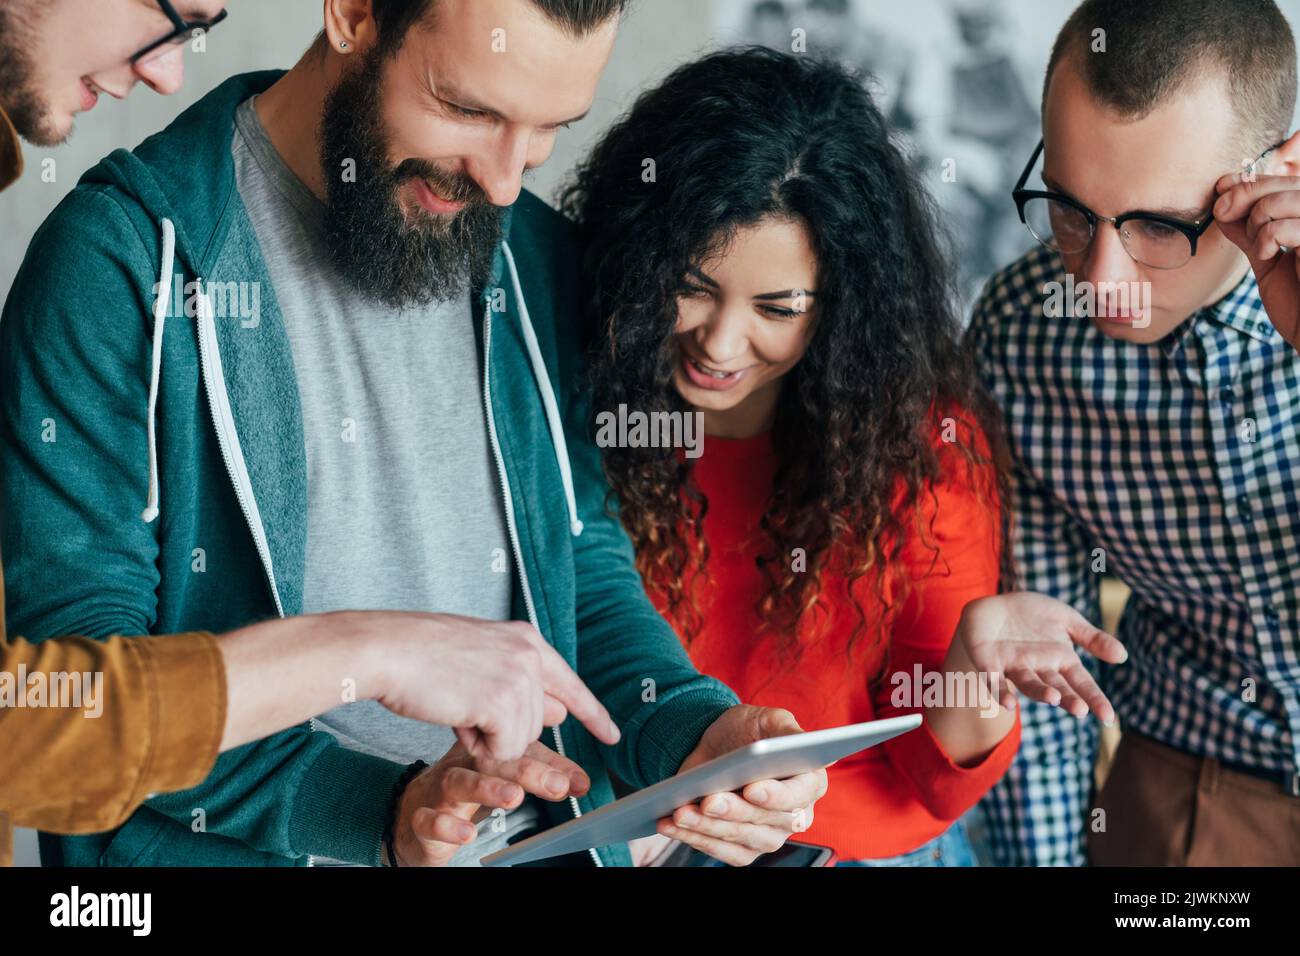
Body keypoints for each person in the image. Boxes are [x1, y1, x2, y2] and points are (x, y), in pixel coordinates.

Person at [0, 0, 833, 868]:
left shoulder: (532, 255)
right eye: (469, 111)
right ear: (354, 15)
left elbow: (579, 572)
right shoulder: (121, 263)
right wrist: (383, 809)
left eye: (547, 129)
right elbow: (76, 703)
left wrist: (693, 733)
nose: (506, 180)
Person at [562, 47, 1126, 866]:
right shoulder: (578, 399)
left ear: (842, 306)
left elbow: (938, 784)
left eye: (776, 308)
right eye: (690, 284)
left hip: (856, 850)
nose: (719, 342)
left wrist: (975, 656)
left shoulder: (917, 443)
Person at [969, 0, 1300, 865]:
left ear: (1272, 174)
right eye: (1073, 213)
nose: (1102, 280)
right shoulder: (1024, 334)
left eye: (1159, 226)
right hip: (1193, 792)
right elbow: (1045, 672)